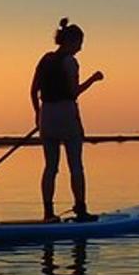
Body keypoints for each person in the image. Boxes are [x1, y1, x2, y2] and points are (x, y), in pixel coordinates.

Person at [30, 17, 104, 223]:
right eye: (80, 43)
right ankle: (81, 210)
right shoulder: (70, 61)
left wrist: (38, 115)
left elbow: (32, 91)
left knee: (50, 167)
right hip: (66, 115)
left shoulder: (45, 59)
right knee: (76, 166)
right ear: (71, 42)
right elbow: (73, 92)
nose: (81, 47)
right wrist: (93, 79)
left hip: (47, 116)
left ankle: (48, 213)